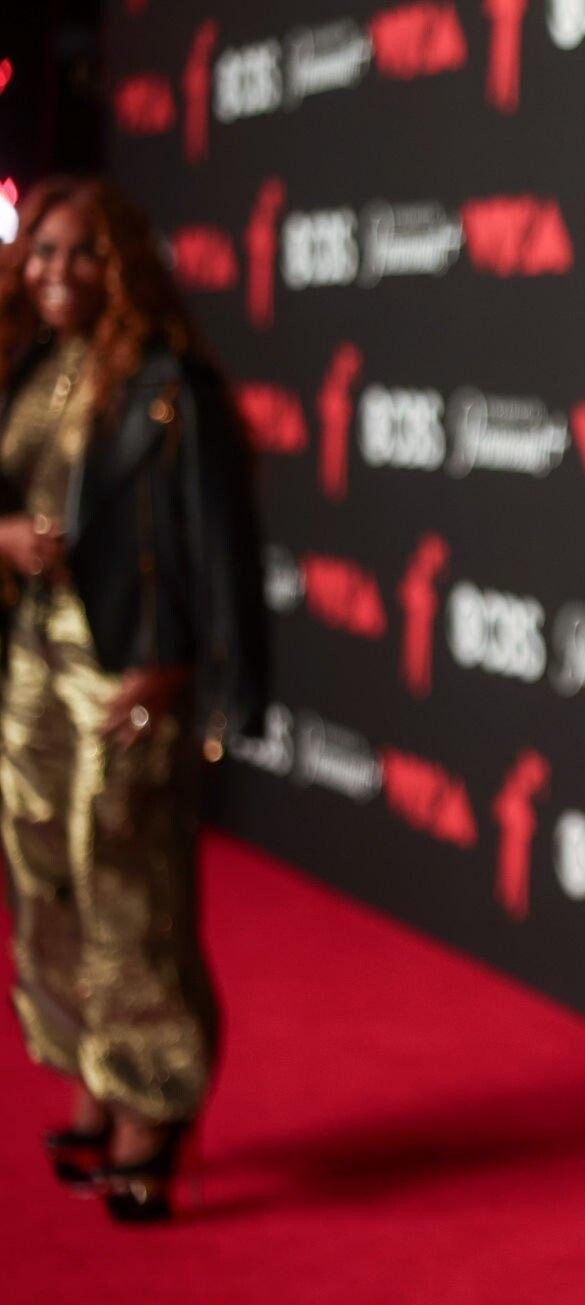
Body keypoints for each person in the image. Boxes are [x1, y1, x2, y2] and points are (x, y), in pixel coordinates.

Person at [0, 176, 268, 1223]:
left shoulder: (169, 387)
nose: (57, 271)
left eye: (82, 252)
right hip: (34, 663)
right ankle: (97, 1075)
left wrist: (191, 668)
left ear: (124, 266)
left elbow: (222, 548)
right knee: (44, 875)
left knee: (126, 887)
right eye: (42, 251)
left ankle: (154, 1103)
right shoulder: (31, 366)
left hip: (127, 673)